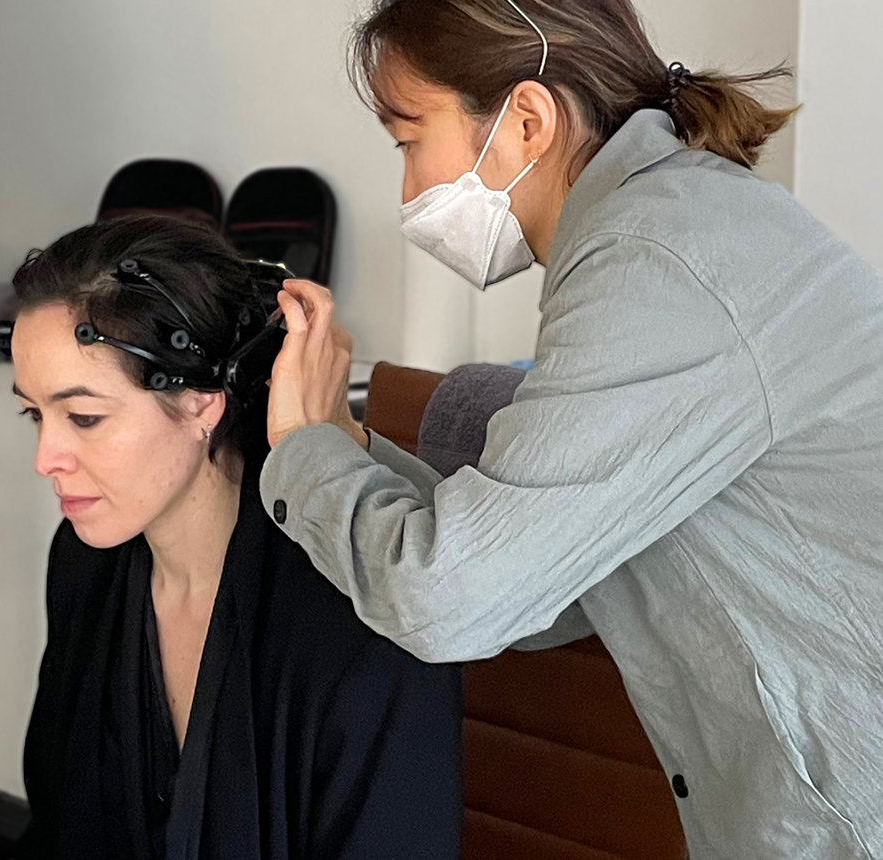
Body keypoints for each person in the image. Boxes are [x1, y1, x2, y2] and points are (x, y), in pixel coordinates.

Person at [259, 0, 883, 857]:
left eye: (409, 142)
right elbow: (545, 588)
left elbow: (453, 603)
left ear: (525, 120)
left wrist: (300, 454)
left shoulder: (657, 261)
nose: (407, 190)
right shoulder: (665, 231)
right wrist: (349, 444)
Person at [9, 215, 463, 860]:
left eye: (84, 417)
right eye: (34, 413)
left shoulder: (355, 610)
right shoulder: (86, 563)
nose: (46, 457)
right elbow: (57, 827)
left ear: (201, 403)